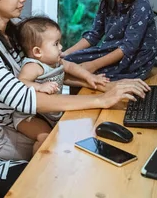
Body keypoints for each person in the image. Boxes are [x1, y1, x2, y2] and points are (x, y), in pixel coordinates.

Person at [0, 0, 150, 195]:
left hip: (14, 135)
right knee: (65, 184)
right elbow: (23, 97)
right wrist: (101, 99)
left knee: (86, 156)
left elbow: (47, 72)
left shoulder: (11, 31)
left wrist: (105, 86)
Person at [13, 16, 109, 154]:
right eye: (56, 44)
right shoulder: (33, 66)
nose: (61, 47)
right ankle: (35, 167)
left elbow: (72, 67)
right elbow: (21, 82)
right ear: (37, 52)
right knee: (45, 137)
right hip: (29, 117)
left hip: (49, 112)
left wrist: (90, 77)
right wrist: (39, 87)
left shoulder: (56, 62)